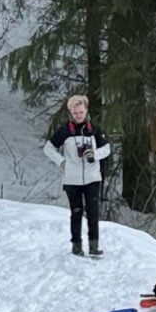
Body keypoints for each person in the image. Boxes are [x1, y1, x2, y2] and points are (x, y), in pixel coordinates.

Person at [43, 95, 112, 258]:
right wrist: (62, 162)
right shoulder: (64, 131)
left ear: (86, 110)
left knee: (93, 211)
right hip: (72, 179)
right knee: (76, 211)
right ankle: (76, 245)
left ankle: (94, 245)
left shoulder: (94, 129)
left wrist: (94, 155)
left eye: (81, 112)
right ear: (70, 112)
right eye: (75, 113)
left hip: (92, 178)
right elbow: (48, 148)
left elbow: (107, 148)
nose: (78, 116)